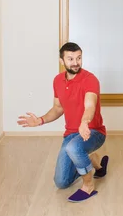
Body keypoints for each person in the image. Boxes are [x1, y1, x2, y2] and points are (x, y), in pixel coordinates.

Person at [17, 42, 109, 203]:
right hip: (71, 134)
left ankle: (88, 186)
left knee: (74, 147)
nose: (75, 62)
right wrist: (40, 120)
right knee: (61, 182)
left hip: (93, 132)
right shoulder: (58, 81)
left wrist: (84, 122)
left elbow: (90, 105)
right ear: (62, 61)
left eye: (79, 58)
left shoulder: (90, 79)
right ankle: (93, 161)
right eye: (70, 58)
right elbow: (58, 108)